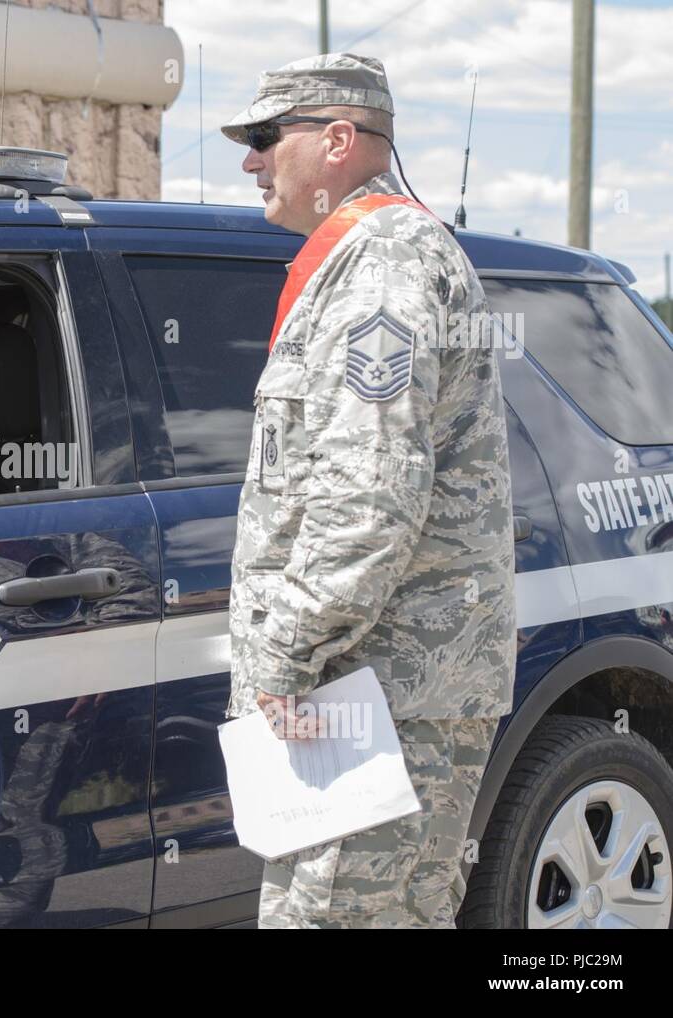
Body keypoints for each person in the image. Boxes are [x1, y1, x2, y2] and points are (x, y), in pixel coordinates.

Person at [219, 53, 516, 928]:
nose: (252, 161)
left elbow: (367, 499)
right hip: (377, 687)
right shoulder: (370, 254)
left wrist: (281, 660)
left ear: (339, 141)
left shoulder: (381, 261)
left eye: (268, 138)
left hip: (372, 692)